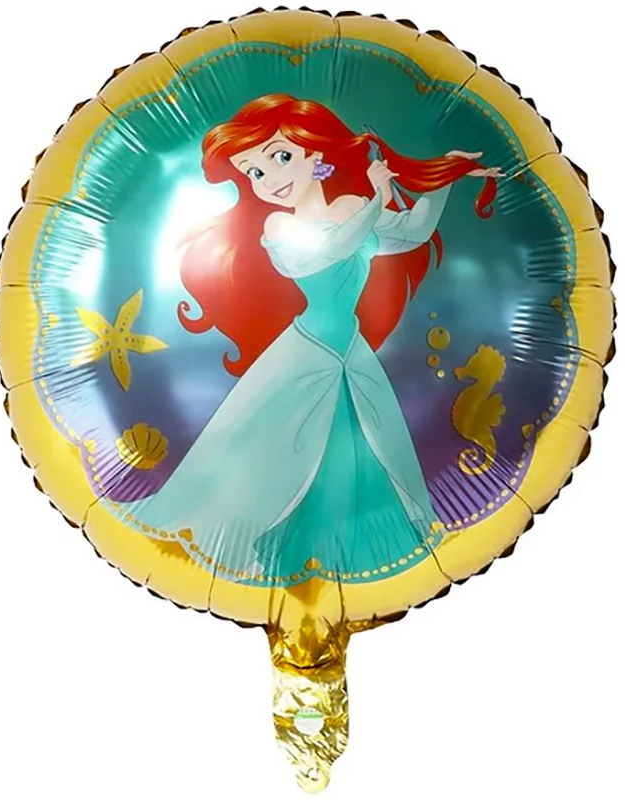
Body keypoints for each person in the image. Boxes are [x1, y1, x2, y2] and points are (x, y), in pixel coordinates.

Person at [116, 93, 501, 583]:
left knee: (368, 449)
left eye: (280, 157)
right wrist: (377, 199)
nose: (270, 179)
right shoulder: (282, 224)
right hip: (306, 352)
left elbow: (415, 231)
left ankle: (350, 552)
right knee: (278, 453)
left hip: (351, 353)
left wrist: (446, 174)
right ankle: (263, 549)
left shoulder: (349, 206)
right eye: (255, 172)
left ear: (314, 152)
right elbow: (332, 247)